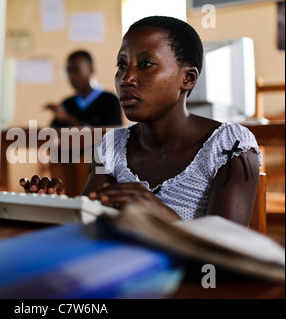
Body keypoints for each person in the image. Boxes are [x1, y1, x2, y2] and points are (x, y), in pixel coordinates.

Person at [21, 16, 262, 227]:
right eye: (122, 65)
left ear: (187, 79)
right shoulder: (112, 147)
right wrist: (52, 207)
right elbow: (89, 225)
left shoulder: (229, 147)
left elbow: (226, 253)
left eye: (145, 64)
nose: (126, 79)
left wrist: (158, 213)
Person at [47, 50, 122, 127]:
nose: (71, 76)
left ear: (91, 70)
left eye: (76, 70)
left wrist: (68, 119)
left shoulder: (110, 101)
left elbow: (112, 136)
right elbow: (53, 134)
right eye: (68, 71)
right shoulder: (67, 104)